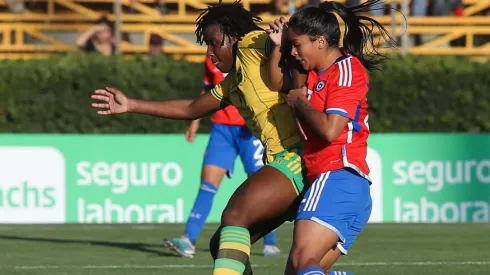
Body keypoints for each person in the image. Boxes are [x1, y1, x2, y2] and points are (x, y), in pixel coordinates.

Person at [91, 1, 310, 275]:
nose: (210, 52)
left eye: (214, 43)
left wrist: (286, 34)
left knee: (235, 215)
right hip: (285, 163)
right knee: (222, 243)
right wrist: (131, 104)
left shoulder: (252, 43)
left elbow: (296, 46)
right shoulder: (234, 83)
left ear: (233, 37)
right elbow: (191, 109)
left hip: (296, 159)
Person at [267, 1, 396, 274]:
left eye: (297, 45)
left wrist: (299, 103)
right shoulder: (314, 72)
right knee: (302, 271)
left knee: (303, 262)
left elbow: (329, 130)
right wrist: (279, 44)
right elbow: (279, 84)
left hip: (337, 177)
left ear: (321, 41)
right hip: (338, 186)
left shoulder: (346, 70)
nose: (293, 51)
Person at [163, 56, 280, 258]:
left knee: (261, 185)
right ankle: (188, 240)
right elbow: (206, 91)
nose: (211, 47)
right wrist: (194, 122)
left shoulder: (250, 54)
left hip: (249, 130)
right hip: (221, 130)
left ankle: (270, 242)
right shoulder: (212, 59)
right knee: (207, 184)